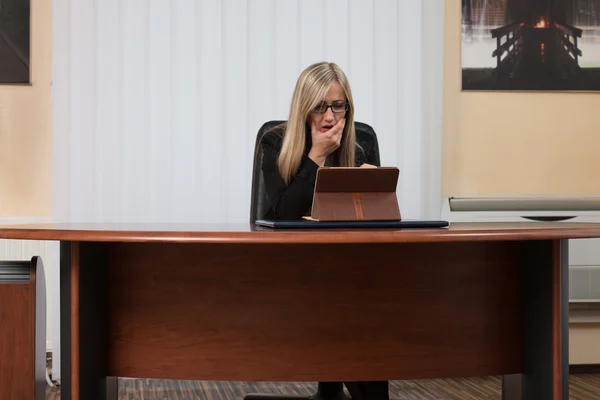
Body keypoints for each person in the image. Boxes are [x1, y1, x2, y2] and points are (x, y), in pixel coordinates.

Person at [259, 61, 389, 400]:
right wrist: (316, 156)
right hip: (291, 268)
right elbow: (283, 215)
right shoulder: (275, 144)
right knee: (349, 315)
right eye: (320, 106)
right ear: (304, 109)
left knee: (364, 310)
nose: (330, 117)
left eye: (338, 105)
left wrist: (373, 191)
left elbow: (373, 229)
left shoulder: (360, 144)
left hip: (346, 270)